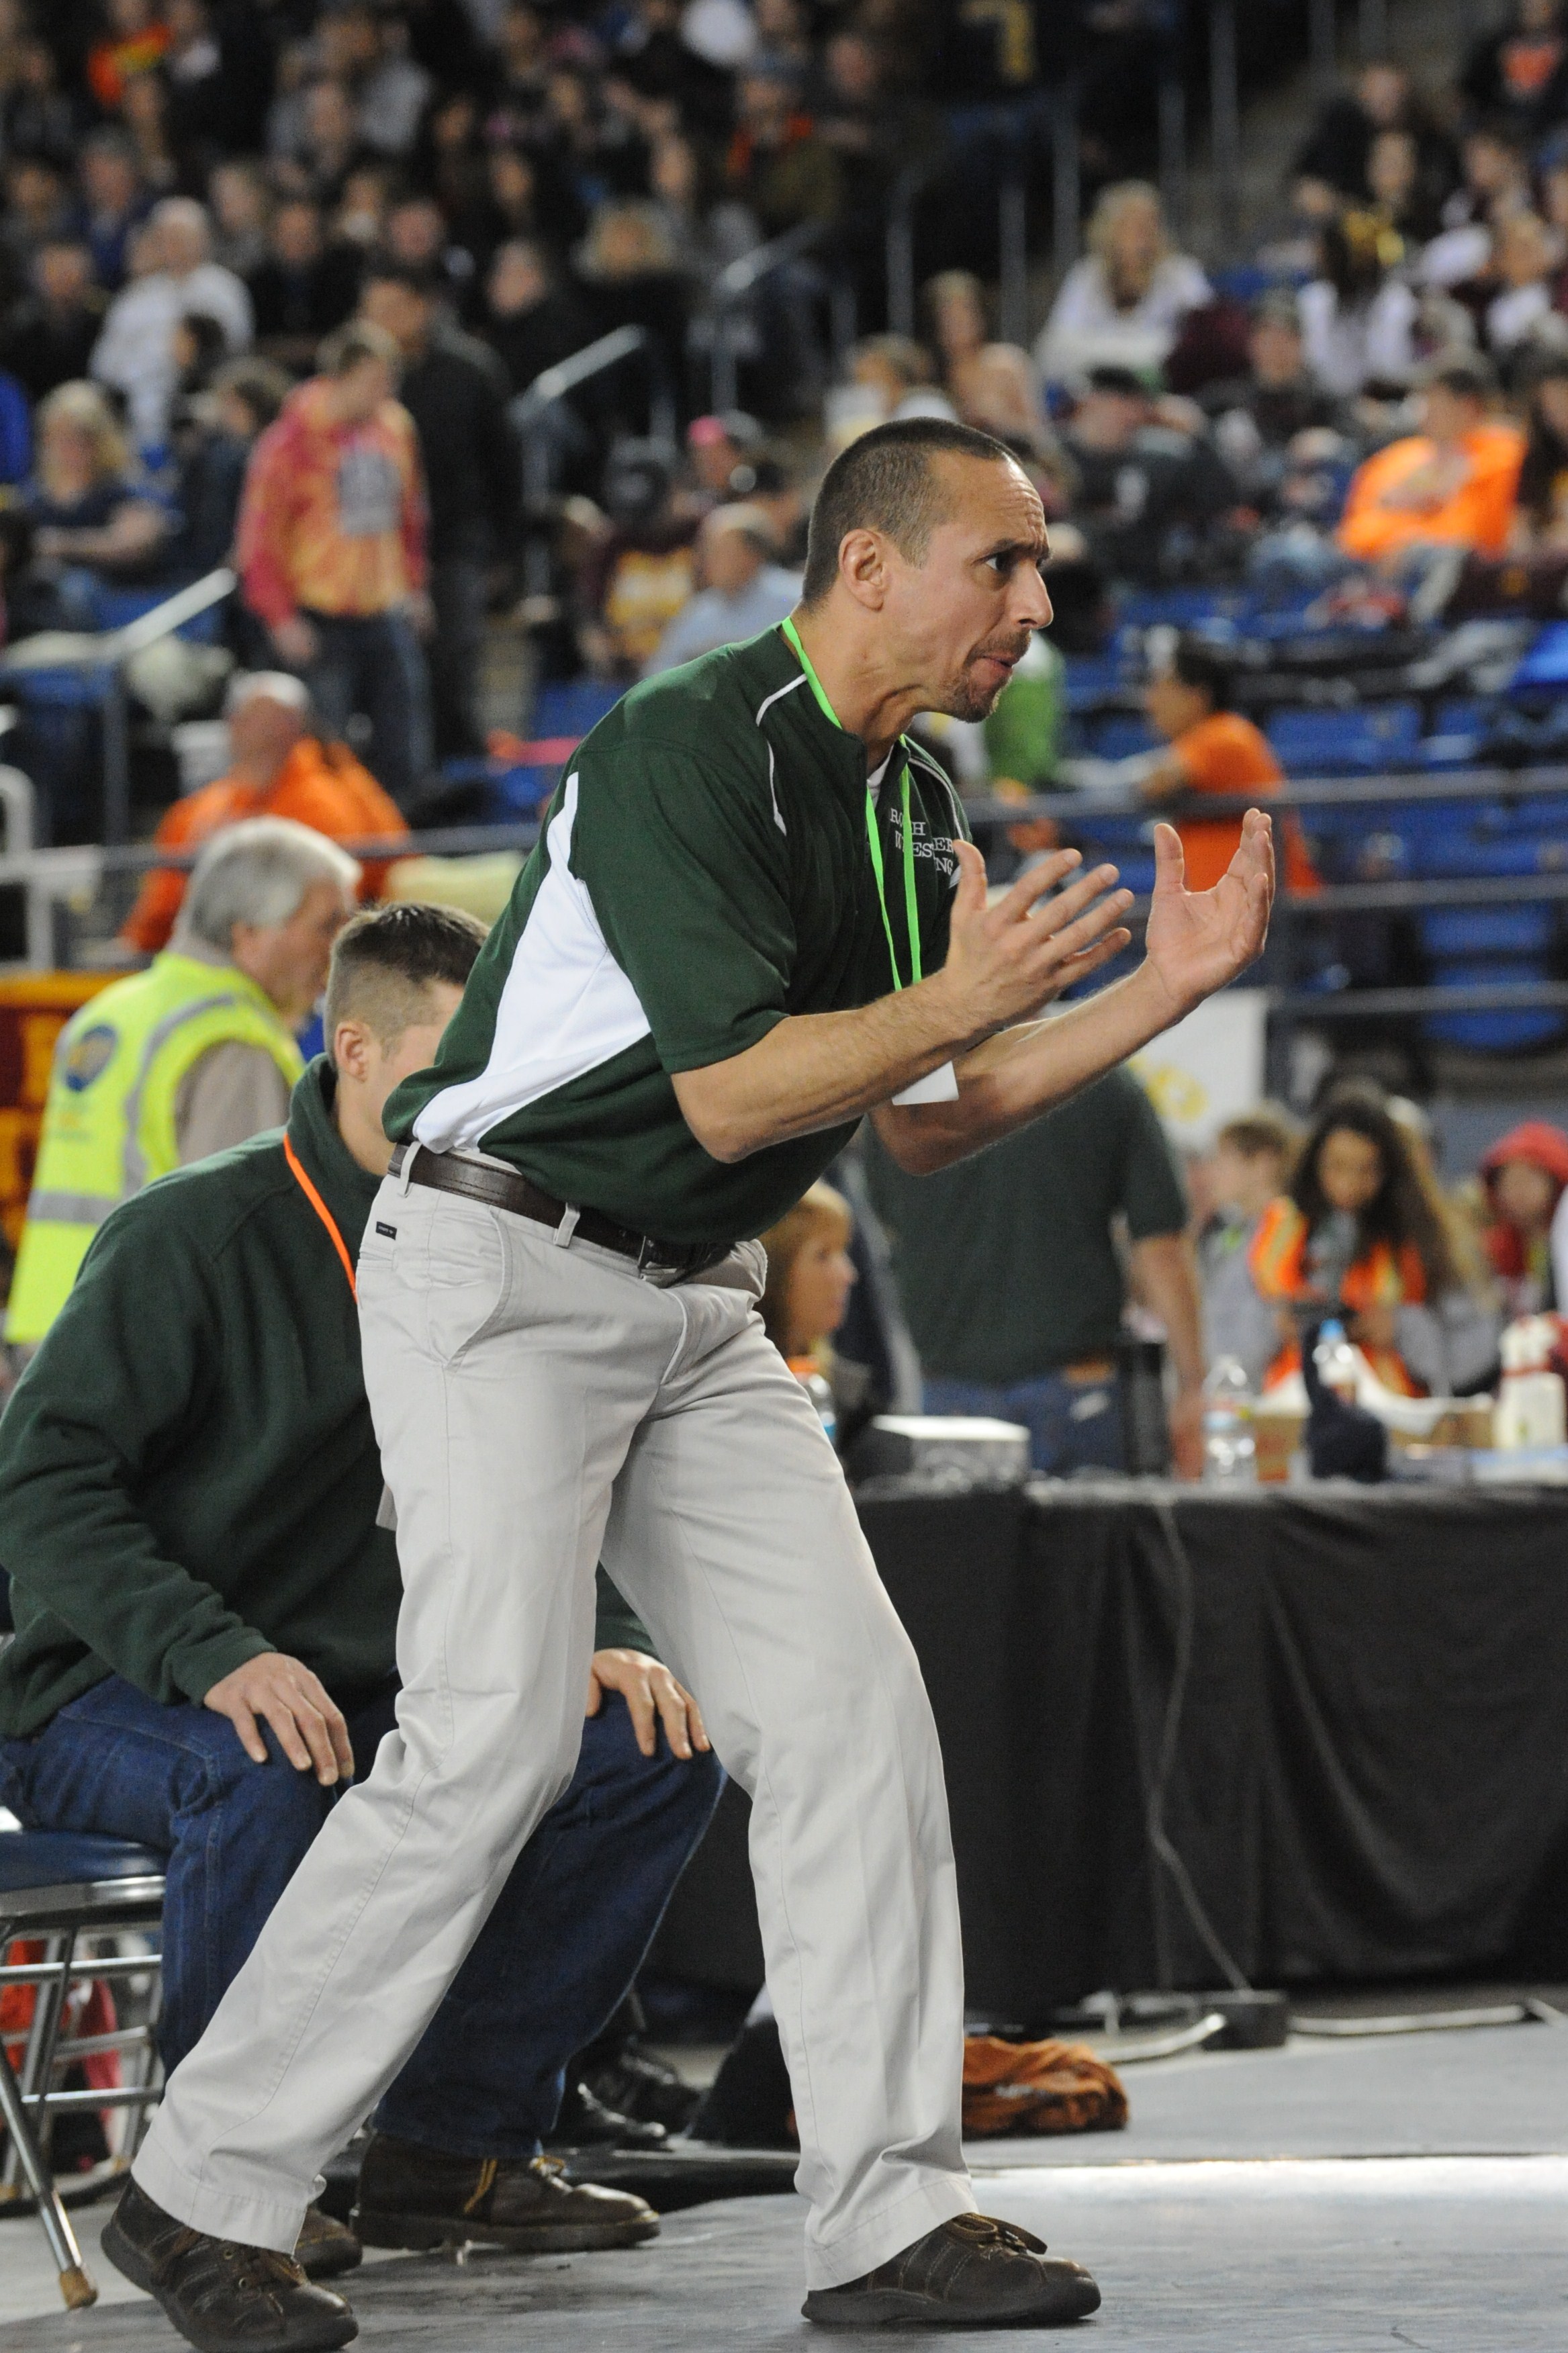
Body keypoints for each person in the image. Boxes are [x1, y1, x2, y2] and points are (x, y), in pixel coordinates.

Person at [110, 416, 1274, 2346]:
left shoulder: (909, 809)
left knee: (850, 1718)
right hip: (501, 1262)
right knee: (484, 1744)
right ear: (868, 567)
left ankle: (885, 2221)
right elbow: (734, 1084)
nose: (1034, 603)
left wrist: (1155, 988)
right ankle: (200, 2186)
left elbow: (919, 1114)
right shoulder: (679, 746)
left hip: (690, 1297)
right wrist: (961, 997)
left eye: (1036, 568)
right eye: (1000, 562)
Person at [0, 901, 722, 2275]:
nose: (484, 1106)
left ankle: (451, 2151)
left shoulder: (508, 1236)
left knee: (644, 1748)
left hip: (373, 1682)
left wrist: (610, 1634)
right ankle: (218, 2186)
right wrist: (211, 1651)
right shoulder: (193, 1238)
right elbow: (39, 1491)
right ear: (353, 1050)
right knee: (267, 1761)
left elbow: (567, 1468)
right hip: (108, 1692)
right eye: (453, 1069)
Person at [5, 817, 355, 1348]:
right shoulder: (232, 1041)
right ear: (250, 933)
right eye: (325, 925)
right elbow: (242, 1244)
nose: (337, 953)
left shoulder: (112, 1011)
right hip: (141, 1350)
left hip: (57, 1328)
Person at [868, 1068, 1205, 1478]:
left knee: (960, 1542)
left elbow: (891, 1224)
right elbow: (1160, 1247)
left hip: (949, 1397)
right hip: (1075, 1388)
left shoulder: (908, 1094)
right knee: (1089, 1542)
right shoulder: (1095, 1073)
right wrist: (1192, 1387)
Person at [234, 319, 434, 809]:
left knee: (404, 743)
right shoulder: (290, 442)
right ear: (342, 377)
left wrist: (415, 583)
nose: (385, 392)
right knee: (327, 751)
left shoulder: (395, 428)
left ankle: (399, 847)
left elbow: (408, 515)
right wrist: (280, 617)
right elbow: (259, 538)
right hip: (321, 614)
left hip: (384, 606)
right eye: (375, 381)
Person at [358, 259, 520, 760]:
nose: (381, 320)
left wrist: (503, 551)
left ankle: (459, 767)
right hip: (376, 550)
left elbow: (505, 465)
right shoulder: (359, 381)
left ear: (424, 307)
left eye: (393, 308)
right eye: (372, 310)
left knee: (453, 656)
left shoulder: (470, 369)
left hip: (456, 542)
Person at [122, 674, 410, 955]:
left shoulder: (326, 796)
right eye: (240, 718)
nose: (241, 728)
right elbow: (161, 906)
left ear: (294, 725)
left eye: (258, 718)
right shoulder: (202, 808)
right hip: (205, 947)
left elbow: (330, 903)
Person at [1059, 634, 1319, 898]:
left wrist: (1062, 779)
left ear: (1197, 695)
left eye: (1162, 687)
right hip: (1240, 905)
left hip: (1276, 912)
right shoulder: (1212, 734)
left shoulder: (1226, 734)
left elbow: (1151, 783)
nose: (1151, 701)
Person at [1250, 1086, 1463, 1396]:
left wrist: (1402, 1328)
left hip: (1390, 1406)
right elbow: (1228, 1330)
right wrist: (1276, 1324)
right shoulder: (1280, 1227)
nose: (1348, 1185)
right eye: (1337, 1167)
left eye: (1366, 1170)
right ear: (1315, 1162)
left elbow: (1466, 1342)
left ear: (1388, 1171)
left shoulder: (1418, 1233)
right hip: (1293, 1400)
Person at [90, 197, 252, 451]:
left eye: (183, 236)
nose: (174, 245)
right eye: (166, 237)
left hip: (202, 414)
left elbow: (236, 356)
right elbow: (104, 366)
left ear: (203, 239)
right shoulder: (135, 298)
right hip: (136, 415)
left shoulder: (225, 291)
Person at [1338, 355, 1525, 569]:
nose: (1423, 416)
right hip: (1365, 561)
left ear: (1467, 407)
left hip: (1443, 571)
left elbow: (1471, 537)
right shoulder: (1401, 456)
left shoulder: (1503, 455)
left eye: (1432, 404)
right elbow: (1354, 532)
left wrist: (1407, 543)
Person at [1035, 181, 1210, 385]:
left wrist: (1101, 352)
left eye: (1149, 223)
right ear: (1108, 230)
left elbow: (1206, 343)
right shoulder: (1087, 275)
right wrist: (1142, 352)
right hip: (1097, 391)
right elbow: (1054, 347)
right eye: (1131, 224)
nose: (1142, 234)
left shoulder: (1181, 274)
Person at [757, 1178, 871, 1448]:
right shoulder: (740, 1387)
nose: (848, 1275)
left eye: (842, 1252)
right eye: (823, 1255)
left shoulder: (850, 1399)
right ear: (773, 1271)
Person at [1199, 1106, 1300, 1391]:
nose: (1211, 1174)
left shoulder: (1287, 1231)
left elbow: (1277, 1326)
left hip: (1261, 1402)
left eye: (1222, 1161)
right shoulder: (1232, 1232)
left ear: (1263, 1164)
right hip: (1227, 1397)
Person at [643, 503, 801, 674]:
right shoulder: (699, 612)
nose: (707, 561)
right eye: (706, 552)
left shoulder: (796, 599)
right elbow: (659, 671)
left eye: (720, 551)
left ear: (751, 554)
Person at [1479, 1119, 1568, 1314]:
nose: (1518, 1192)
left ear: (1554, 1182)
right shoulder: (1493, 1250)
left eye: (1528, 1179)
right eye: (1509, 1182)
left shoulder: (1563, 1240)